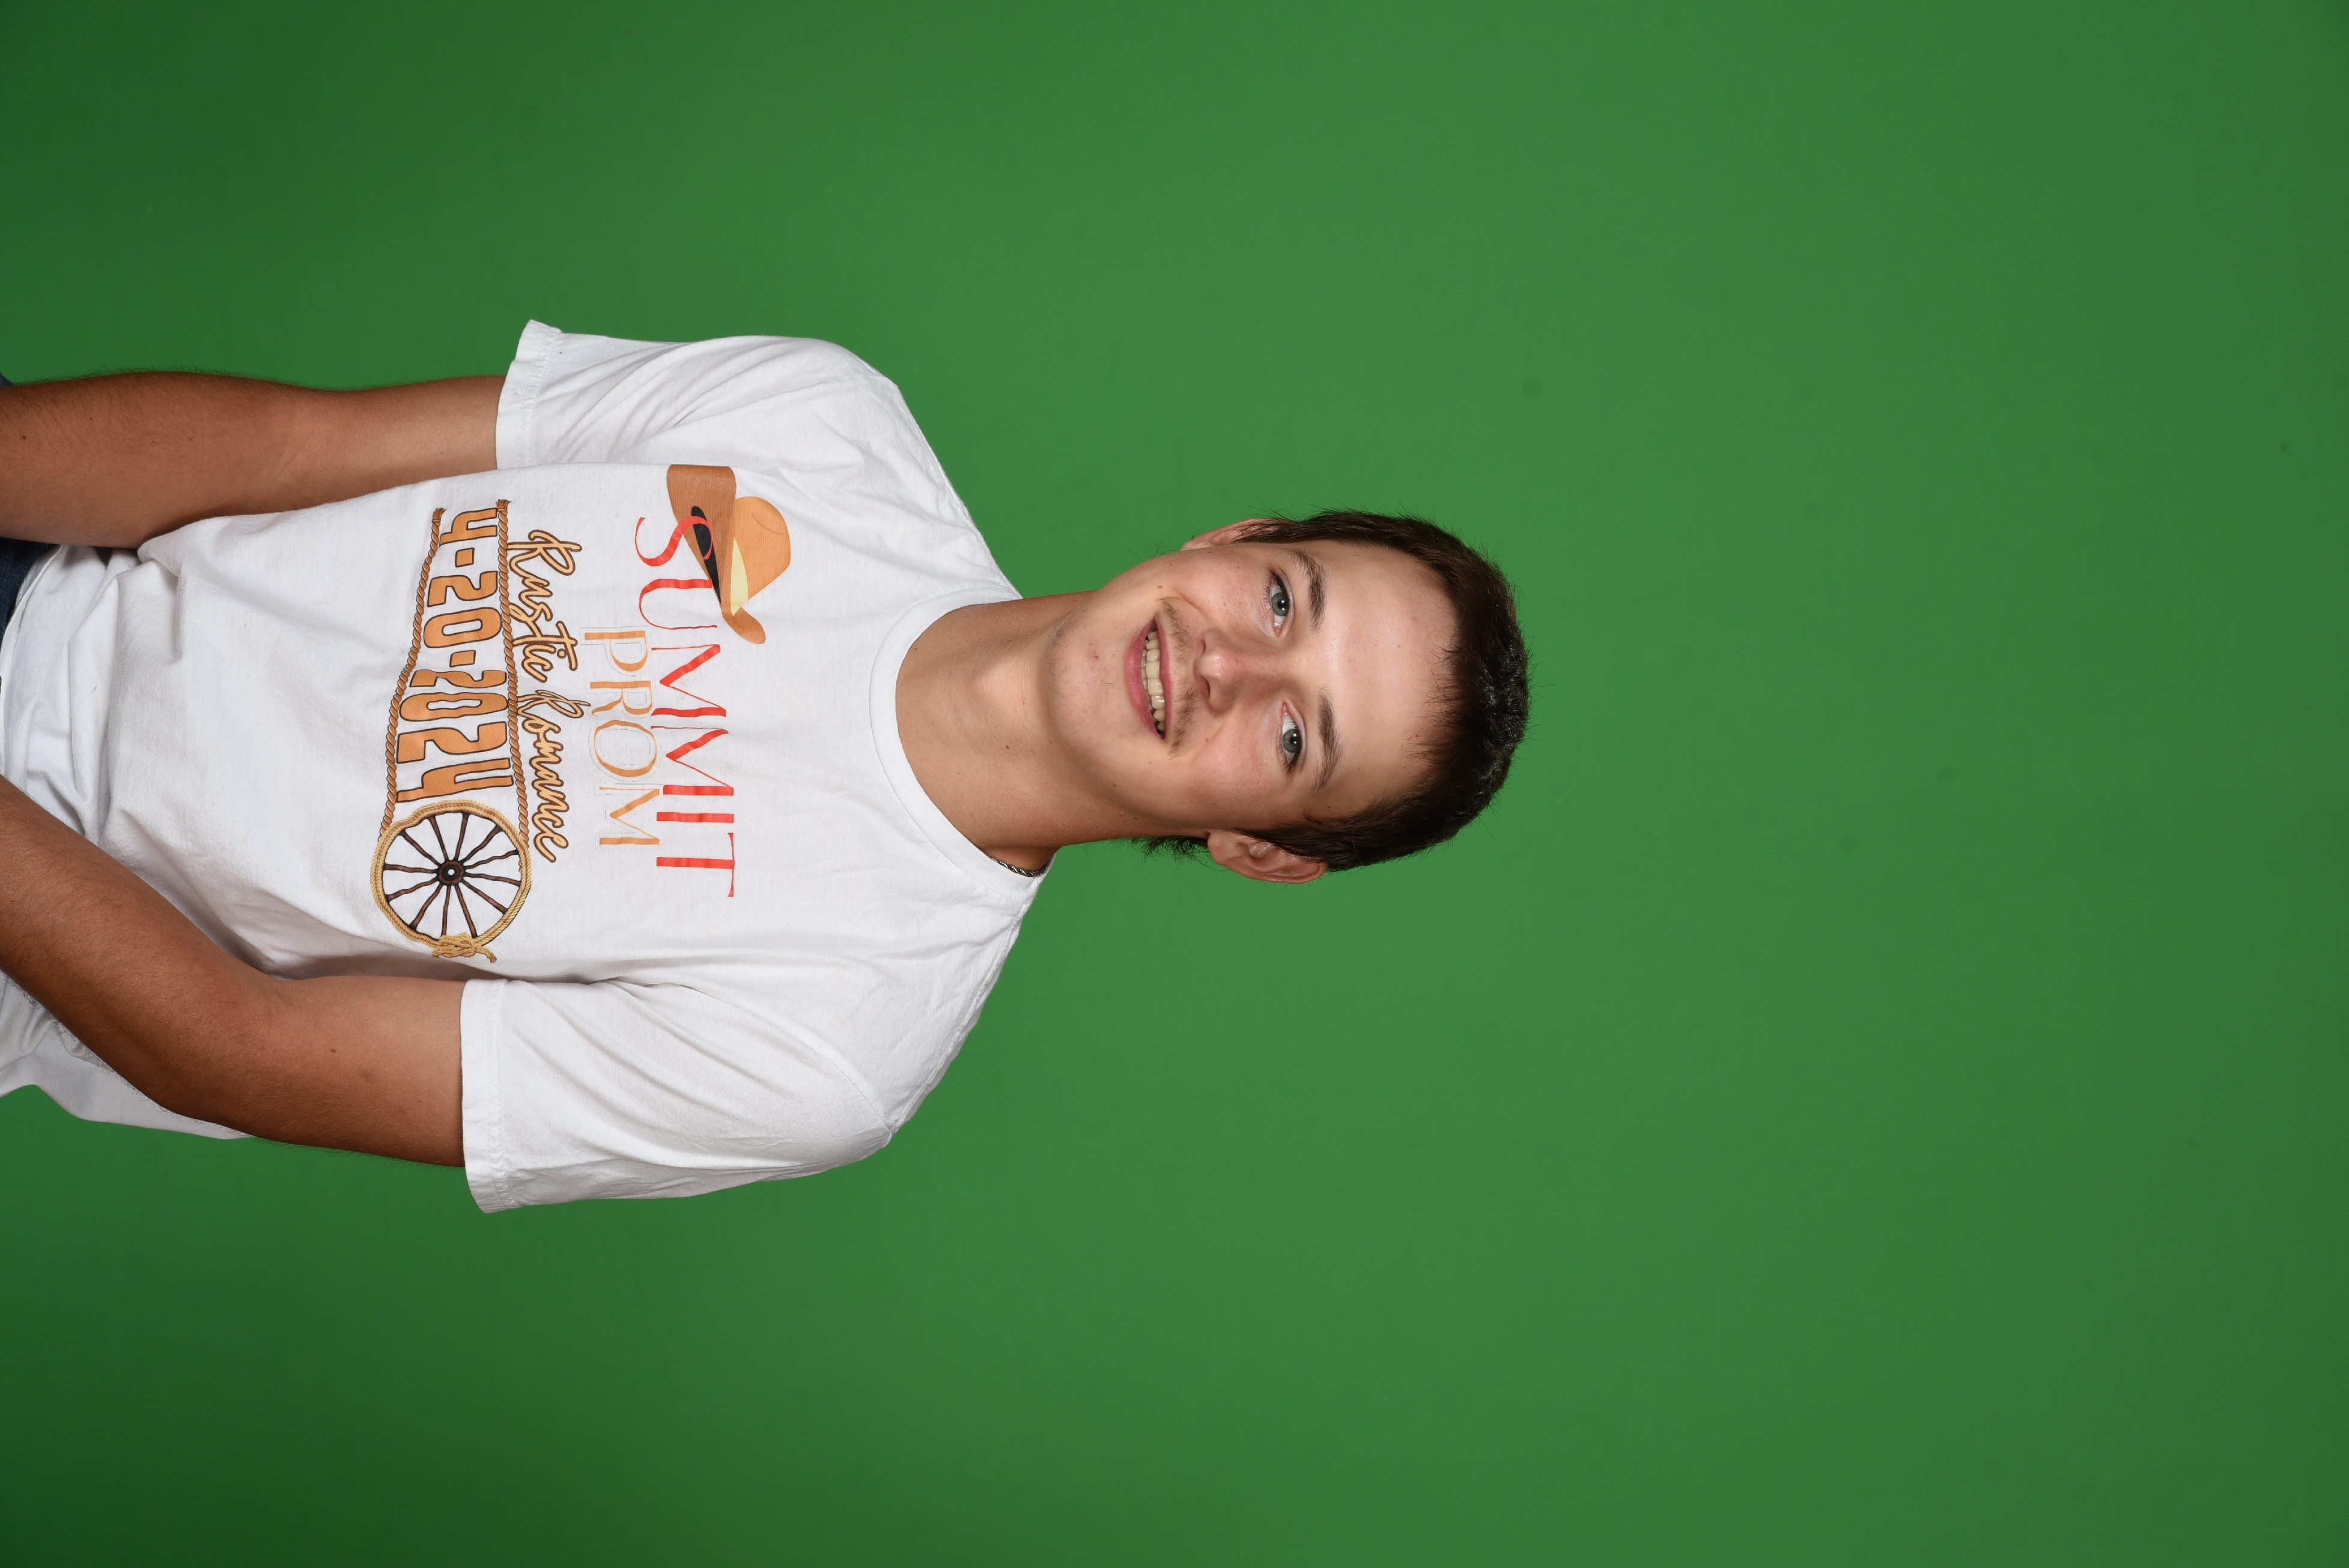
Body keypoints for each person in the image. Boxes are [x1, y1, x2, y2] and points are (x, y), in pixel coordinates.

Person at [0, 323, 1528, 1209]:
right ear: (1236, 539)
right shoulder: (820, 423)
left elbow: (243, 1049)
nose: (1227, 666)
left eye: (1292, 737)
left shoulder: (834, 1049)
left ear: (1264, 850)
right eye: (1283, 601)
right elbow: (286, 451)